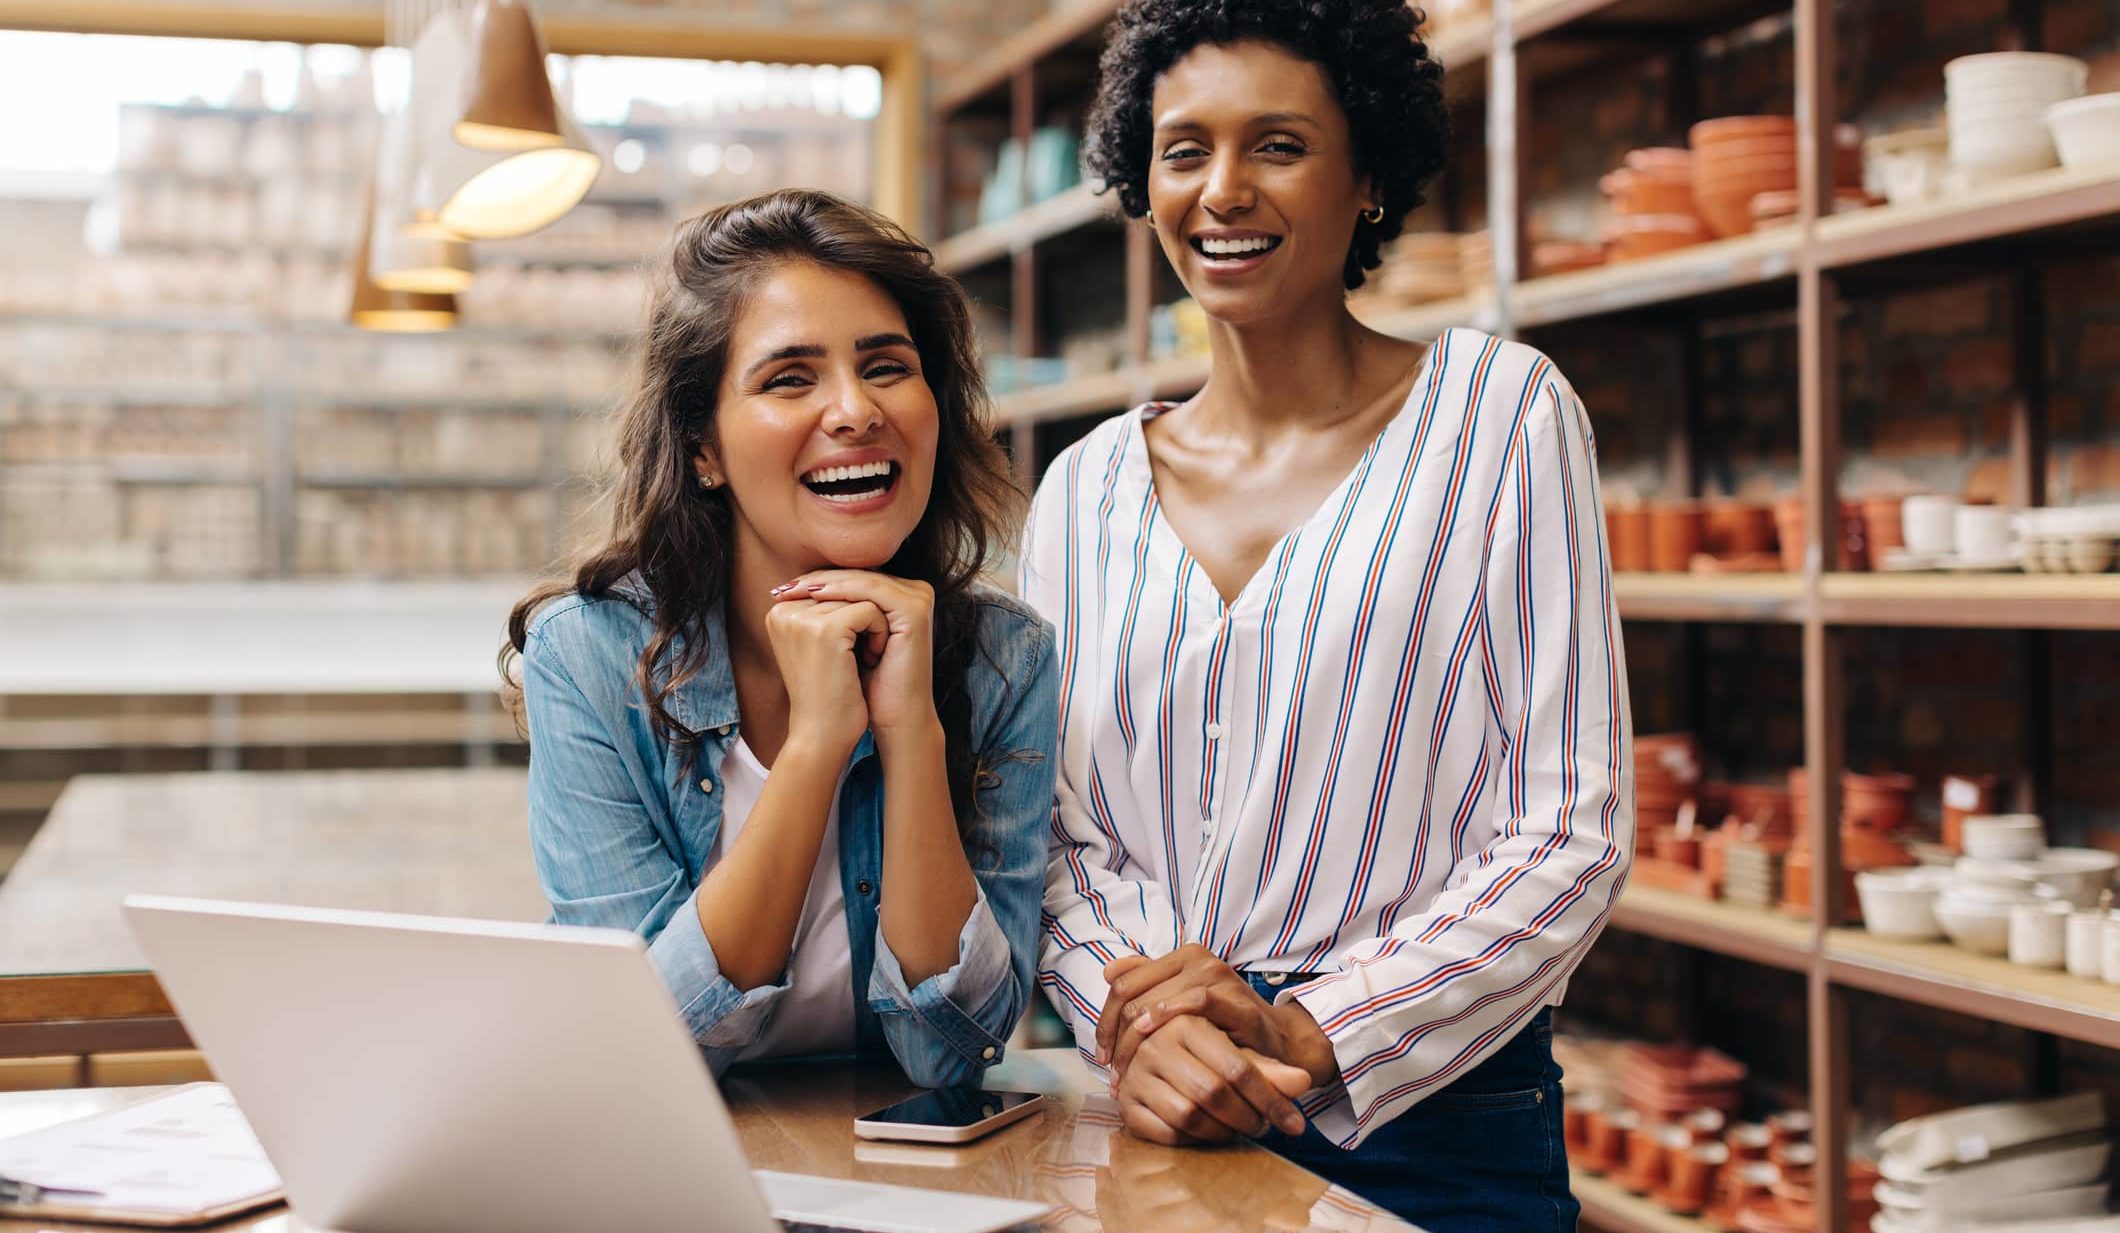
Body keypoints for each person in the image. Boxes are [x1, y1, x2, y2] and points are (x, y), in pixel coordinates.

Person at [1020, 2, 1635, 1227]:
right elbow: (1044, 837)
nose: (1222, 190)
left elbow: (1571, 825)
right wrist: (1139, 1028)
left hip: (1433, 1117)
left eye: (1279, 146)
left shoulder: (1499, 415)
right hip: (1156, 1106)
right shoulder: (1081, 485)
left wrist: (1311, 1026)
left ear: (1366, 179)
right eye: (1183, 149)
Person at [506, 189, 1057, 1087]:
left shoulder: (1006, 657)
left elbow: (953, 1049)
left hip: (897, 1183)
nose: (855, 410)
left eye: (886, 366)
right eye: (789, 378)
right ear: (703, 449)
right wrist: (814, 747)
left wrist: (911, 729)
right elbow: (642, 1043)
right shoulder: (589, 654)